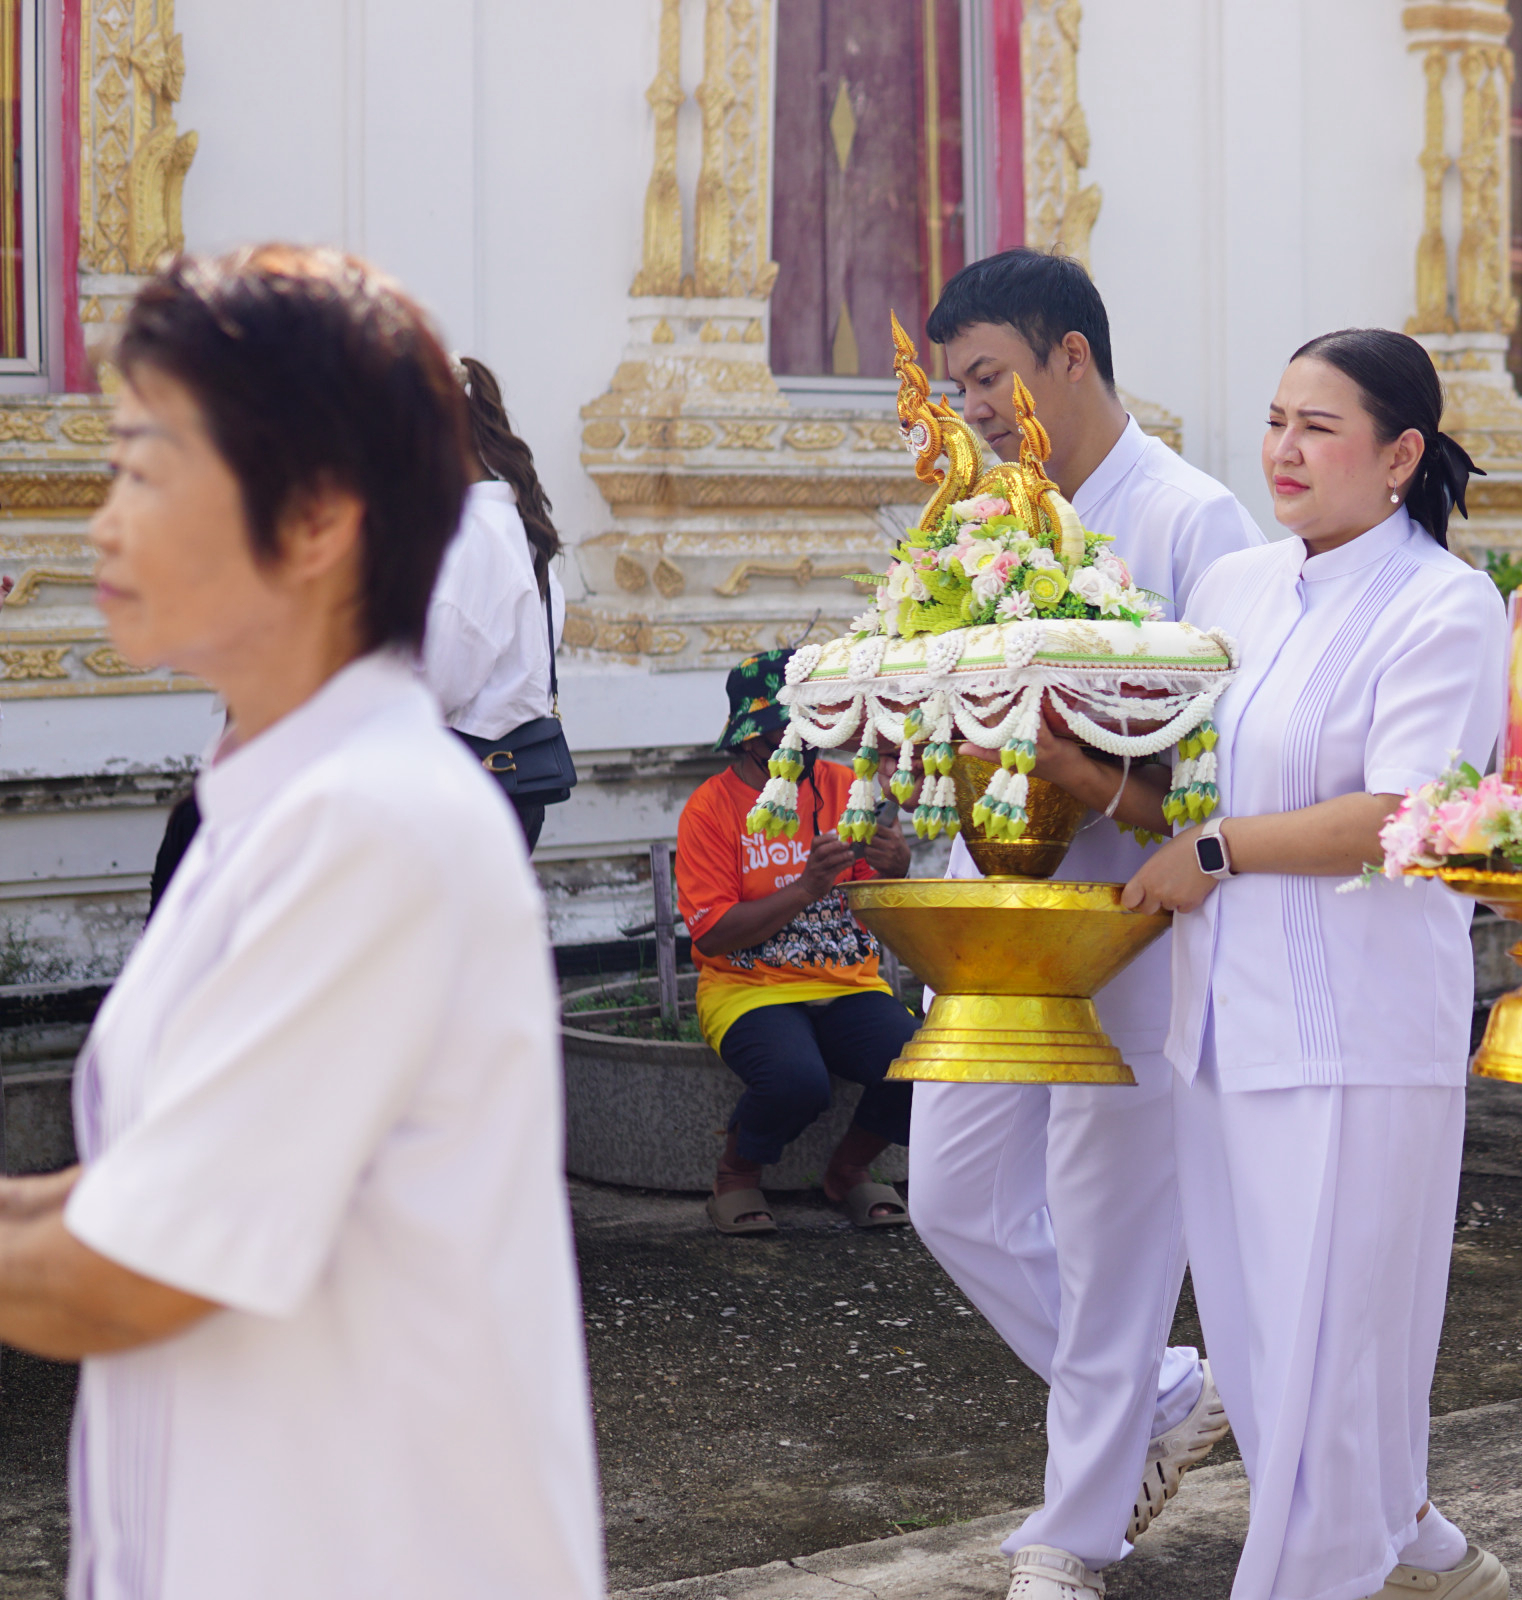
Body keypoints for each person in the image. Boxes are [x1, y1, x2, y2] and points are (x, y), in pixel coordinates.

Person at [0, 246, 603, 1595]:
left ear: (320, 517)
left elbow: (133, 1270)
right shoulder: (273, 808)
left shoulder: (374, 824)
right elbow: (134, 1196)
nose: (101, 522)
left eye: (147, 471)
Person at [1121, 327, 1511, 1600]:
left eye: (1319, 426)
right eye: (1278, 418)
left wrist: (1219, 849)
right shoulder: (1236, 586)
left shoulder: (1444, 605)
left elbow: (1409, 811)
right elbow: (1175, 771)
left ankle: (1321, 1571)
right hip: (1222, 1021)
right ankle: (1409, 1541)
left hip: (1355, 1027)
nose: (1284, 448)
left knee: (1329, 1355)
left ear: (1401, 454)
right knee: (1262, 1343)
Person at [906, 248, 1262, 1600]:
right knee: (952, 1192)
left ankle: (1076, 1528)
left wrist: (1099, 781)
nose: (975, 406)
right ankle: (1166, 1396)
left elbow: (1235, 762)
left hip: (1134, 914)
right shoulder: (982, 512)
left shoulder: (1190, 521)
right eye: (956, 387)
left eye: (989, 377)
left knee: (1114, 1228)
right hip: (1002, 909)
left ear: (1071, 357)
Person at [676, 650, 918, 1234]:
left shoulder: (844, 787)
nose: (799, 745)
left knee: (925, 1062)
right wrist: (805, 888)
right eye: (781, 733)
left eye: (809, 730)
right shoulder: (710, 808)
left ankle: (850, 1169)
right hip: (746, 987)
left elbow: (875, 899)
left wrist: (896, 866)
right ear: (747, 739)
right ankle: (736, 1175)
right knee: (795, 1080)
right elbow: (712, 931)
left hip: (847, 981)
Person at [420, 356, 571, 850]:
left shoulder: (473, 539)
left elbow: (438, 685)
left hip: (465, 791)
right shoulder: (519, 531)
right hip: (517, 780)